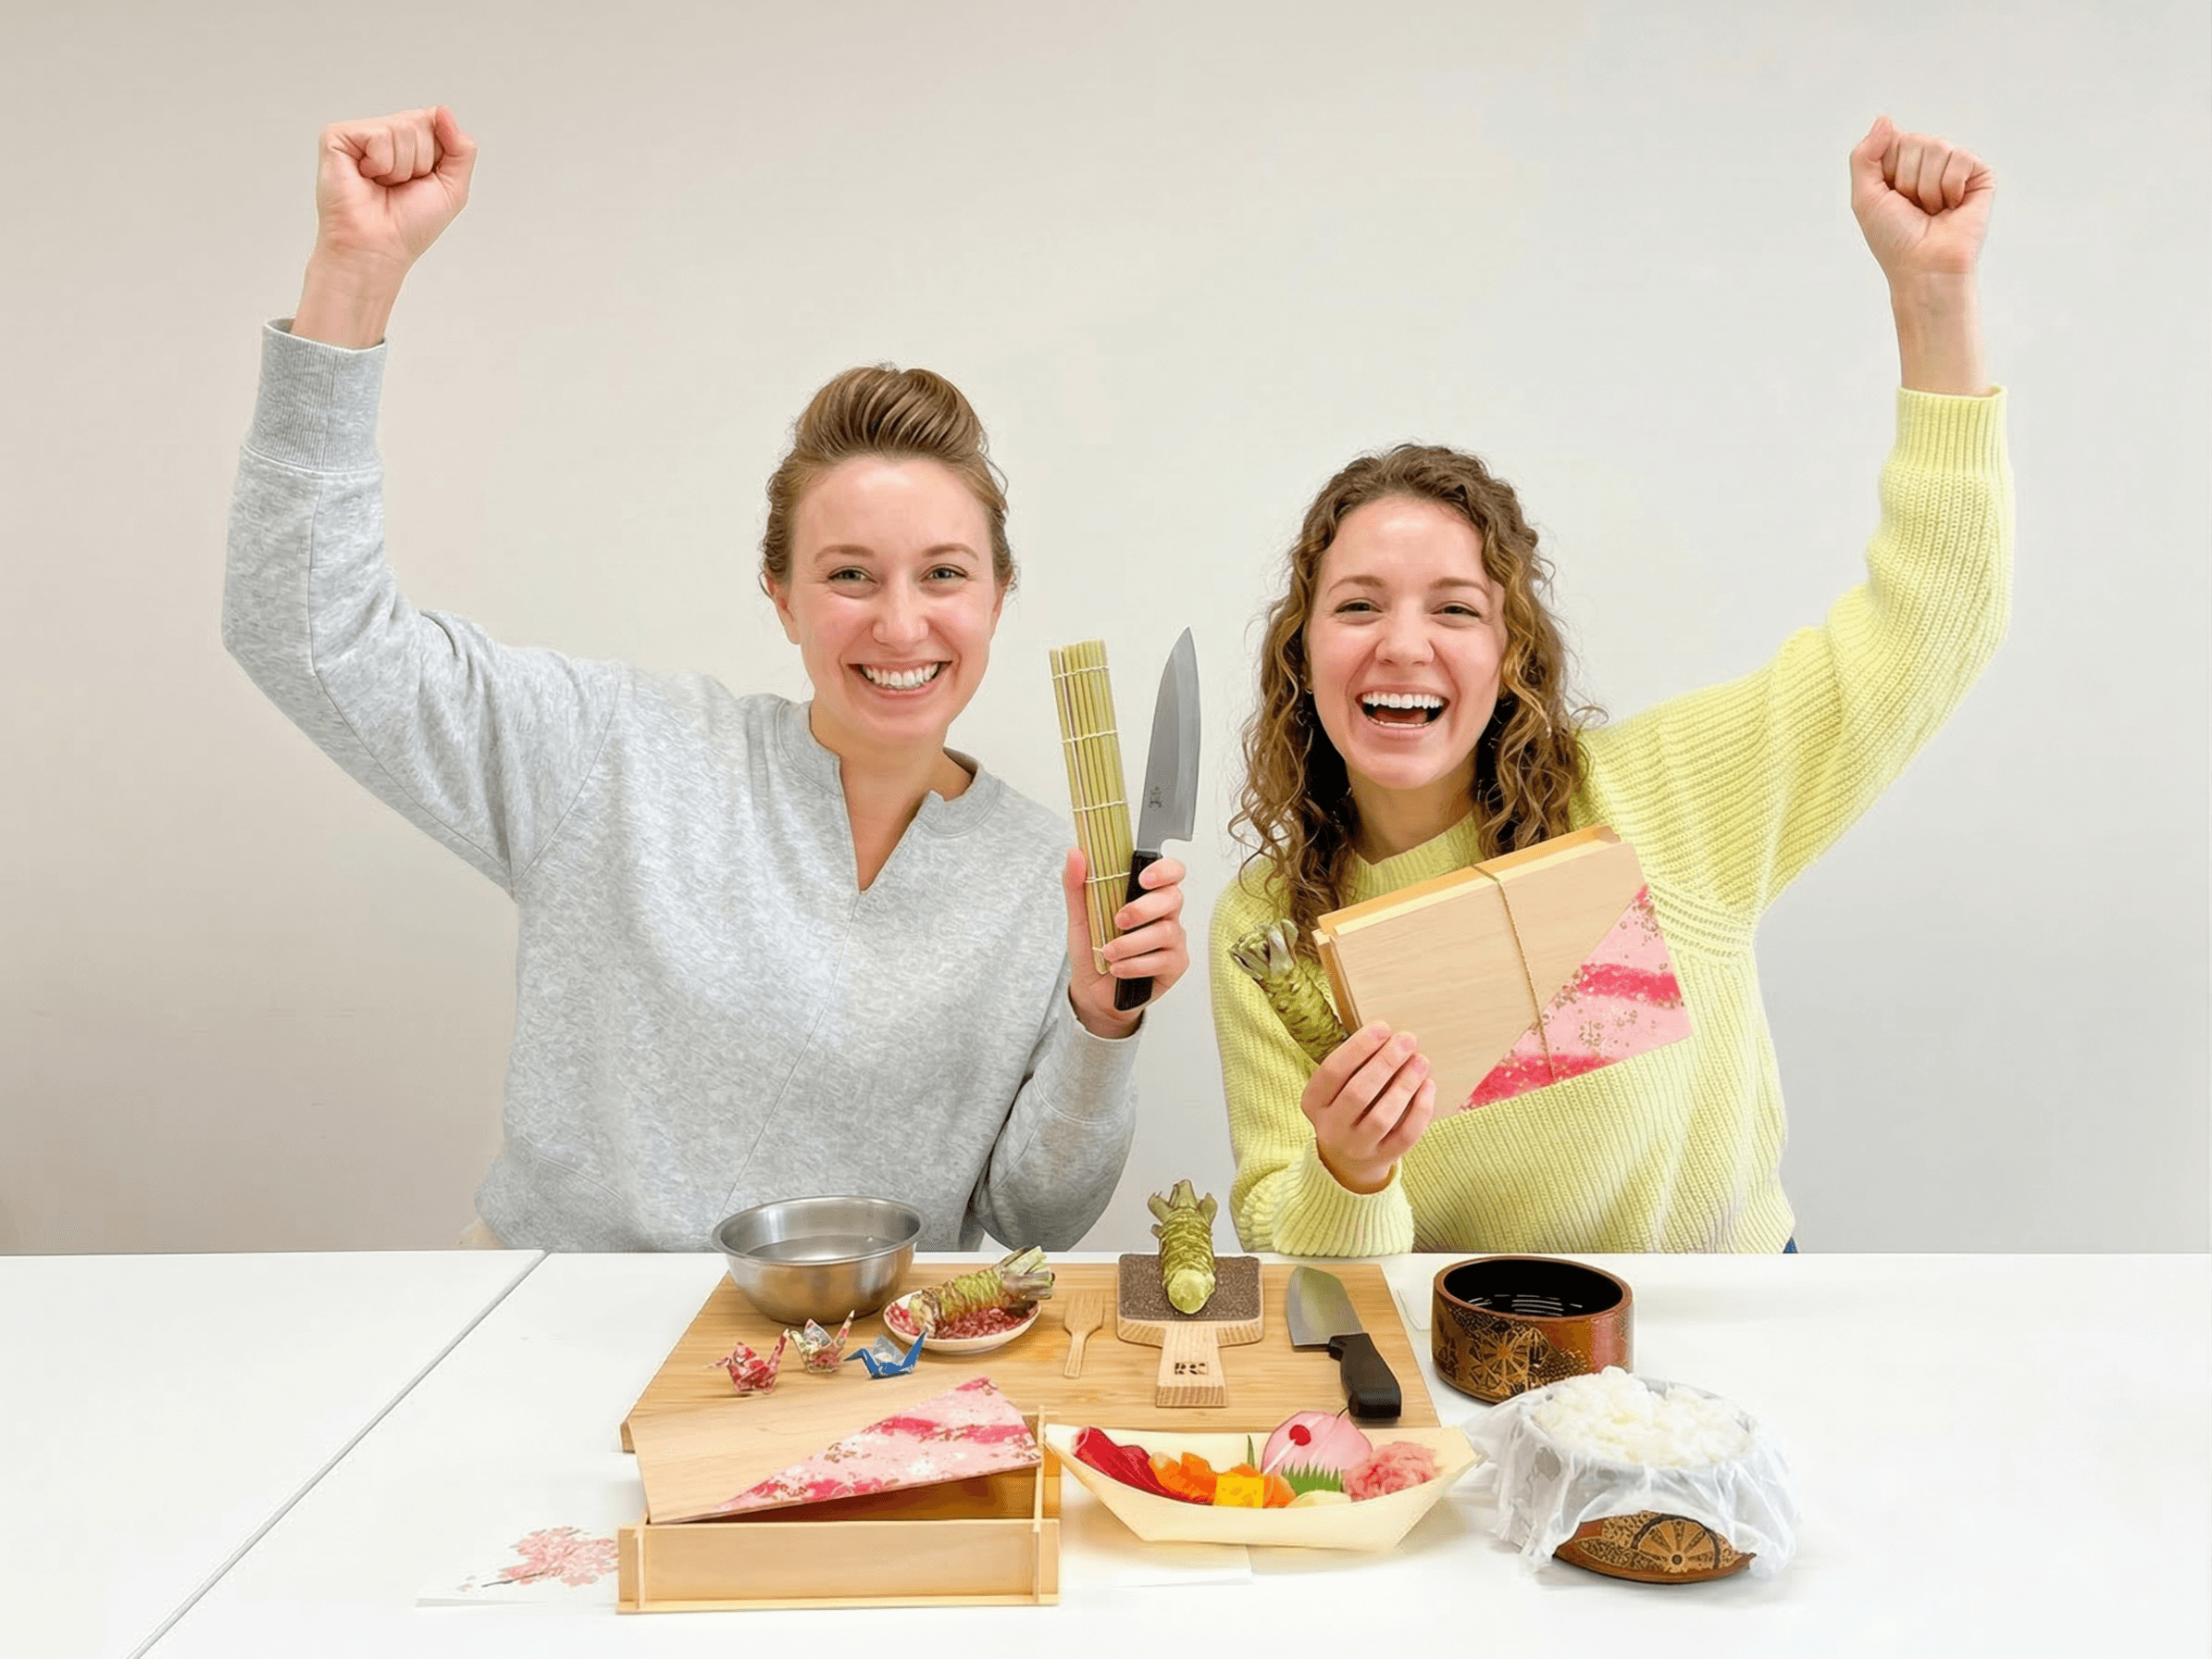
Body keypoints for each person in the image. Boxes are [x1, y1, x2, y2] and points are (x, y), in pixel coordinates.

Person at [224, 107, 1188, 1253]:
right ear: (779, 594)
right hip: (559, 1328)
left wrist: (1097, 1023)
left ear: (997, 594)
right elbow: (307, 633)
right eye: (848, 573)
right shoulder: (614, 755)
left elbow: (1038, 1215)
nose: (899, 623)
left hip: (864, 1354)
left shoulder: (1049, 875)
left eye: (943, 573)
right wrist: (354, 276)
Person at [1211, 118, 2008, 1255]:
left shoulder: (1662, 801)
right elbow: (1292, 1242)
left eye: (1454, 608)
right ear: (1301, 653)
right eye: (1357, 605)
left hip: (1723, 1325)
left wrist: (1932, 297)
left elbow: (1933, 624)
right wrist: (1348, 1169)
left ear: (1511, 656)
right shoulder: (1268, 931)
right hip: (1468, 1338)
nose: (1402, 644)